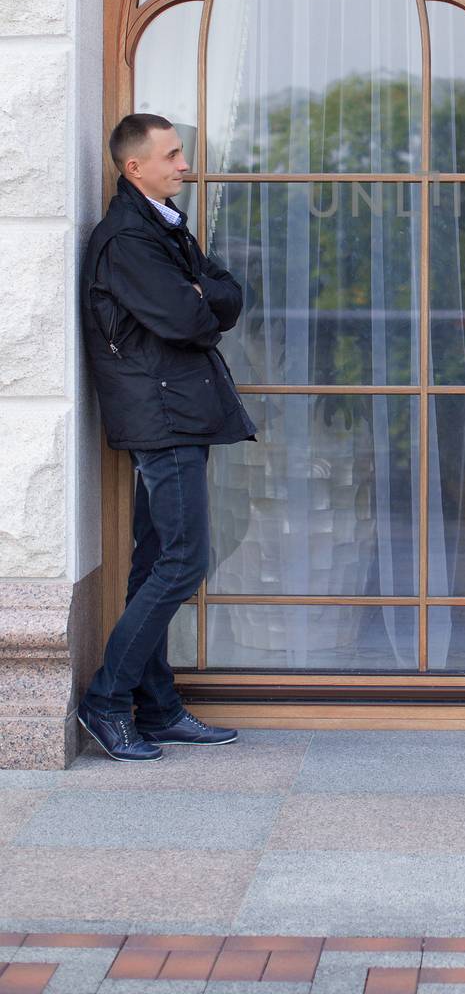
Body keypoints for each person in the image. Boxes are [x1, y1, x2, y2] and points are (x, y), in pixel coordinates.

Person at [78, 113, 255, 761]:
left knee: (158, 561)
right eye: (173, 155)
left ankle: (154, 708)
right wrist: (199, 298)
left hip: (174, 408)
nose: (184, 164)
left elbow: (229, 296)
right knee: (183, 561)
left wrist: (200, 294)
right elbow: (189, 318)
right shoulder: (128, 237)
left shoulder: (161, 227)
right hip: (163, 415)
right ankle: (105, 701)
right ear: (136, 167)